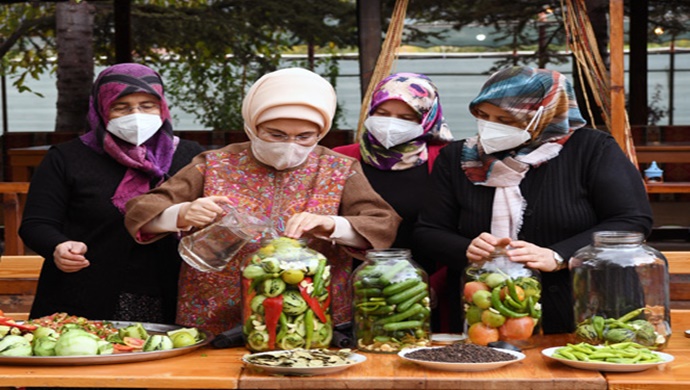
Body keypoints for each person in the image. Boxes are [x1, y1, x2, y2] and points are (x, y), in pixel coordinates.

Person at [124, 67, 401, 335]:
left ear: (322, 133)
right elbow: (140, 210)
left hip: (308, 314)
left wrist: (332, 225)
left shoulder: (338, 168)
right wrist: (182, 213)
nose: (289, 145)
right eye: (275, 134)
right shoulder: (215, 163)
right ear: (252, 126)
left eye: (305, 137)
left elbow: (382, 224)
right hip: (217, 313)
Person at [414, 66, 653, 334]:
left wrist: (559, 255)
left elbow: (632, 220)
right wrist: (467, 248)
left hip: (584, 310)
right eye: (483, 116)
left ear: (544, 115)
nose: (490, 126)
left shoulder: (593, 150)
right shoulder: (459, 157)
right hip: (486, 315)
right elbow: (429, 231)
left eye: (505, 120)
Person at [19, 63, 205, 323]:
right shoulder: (67, 158)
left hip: (171, 291)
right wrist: (58, 246)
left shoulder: (188, 156)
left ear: (162, 107)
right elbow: (36, 223)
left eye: (147, 105)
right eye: (122, 107)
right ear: (101, 109)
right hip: (86, 292)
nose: (136, 114)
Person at [332, 72, 454, 331]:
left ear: (427, 119)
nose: (390, 124)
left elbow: (459, 227)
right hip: (355, 288)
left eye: (406, 118)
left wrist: (433, 286)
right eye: (383, 113)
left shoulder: (447, 160)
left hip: (423, 291)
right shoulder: (340, 159)